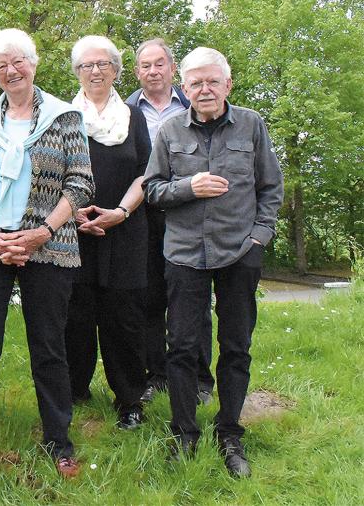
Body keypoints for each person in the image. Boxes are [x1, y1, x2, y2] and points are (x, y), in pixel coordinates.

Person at [0, 29, 94, 479]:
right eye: (1, 65)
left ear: (34, 63)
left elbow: (81, 183)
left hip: (49, 247)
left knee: (49, 348)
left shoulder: (65, 117)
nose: (11, 71)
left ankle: (60, 442)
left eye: (18, 62)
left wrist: (41, 233)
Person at [143, 47, 283, 477]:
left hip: (239, 253)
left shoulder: (251, 125)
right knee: (182, 348)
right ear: (184, 88)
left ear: (227, 84)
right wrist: (189, 186)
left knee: (236, 346)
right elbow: (152, 190)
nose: (204, 89)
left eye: (212, 81)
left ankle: (230, 433)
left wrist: (259, 237)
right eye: (195, 82)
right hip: (185, 255)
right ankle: (184, 433)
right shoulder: (169, 132)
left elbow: (271, 187)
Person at [64, 36, 150, 429]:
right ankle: (74, 390)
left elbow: (147, 172)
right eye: (86, 65)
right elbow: (51, 171)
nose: (95, 71)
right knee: (75, 317)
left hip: (124, 230)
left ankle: (129, 400)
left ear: (116, 70)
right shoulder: (63, 117)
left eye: (103, 64)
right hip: (73, 230)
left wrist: (119, 212)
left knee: (124, 320)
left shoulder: (134, 117)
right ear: (77, 72)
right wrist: (73, 212)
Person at [127, 38, 215, 405]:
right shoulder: (126, 110)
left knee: (193, 297)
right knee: (149, 298)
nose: (153, 71)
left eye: (159, 63)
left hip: (191, 214)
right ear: (136, 72)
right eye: (145, 65)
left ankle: (199, 378)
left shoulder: (194, 102)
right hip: (144, 214)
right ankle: (158, 375)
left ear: (172, 68)